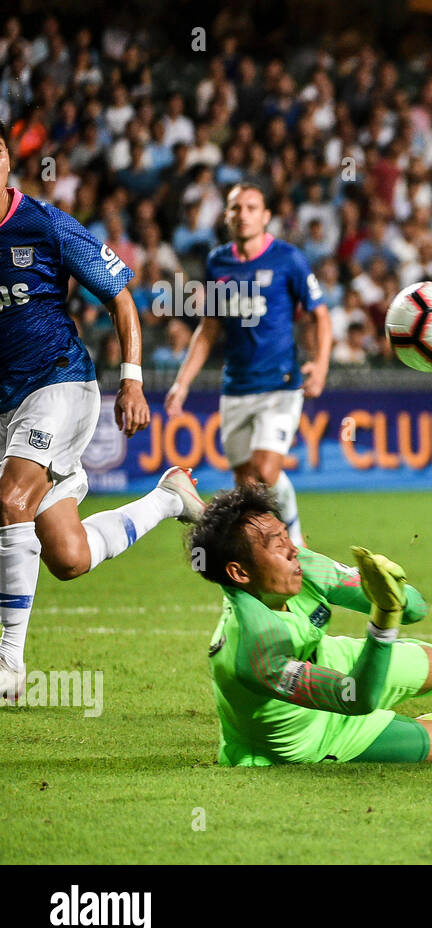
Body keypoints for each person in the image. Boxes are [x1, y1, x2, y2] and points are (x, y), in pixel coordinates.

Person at [0, 123, 203, 701]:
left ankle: (9, 666)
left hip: (59, 384)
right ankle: (169, 498)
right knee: (66, 556)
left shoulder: (44, 224)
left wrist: (132, 381)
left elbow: (119, 296)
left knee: (11, 499)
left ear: (9, 161)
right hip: (4, 405)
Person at [189, 483, 432, 765]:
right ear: (239, 572)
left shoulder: (298, 567)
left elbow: (416, 610)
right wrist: (383, 621)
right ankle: (406, 730)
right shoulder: (257, 648)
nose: (293, 549)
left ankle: (408, 721)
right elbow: (353, 699)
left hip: (329, 659)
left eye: (286, 535)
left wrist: (396, 593)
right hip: (310, 738)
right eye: (277, 544)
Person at [164, 182, 332, 546]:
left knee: (265, 473)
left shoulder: (289, 259)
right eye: (236, 208)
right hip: (236, 387)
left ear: (266, 216)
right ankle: (270, 556)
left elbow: (321, 316)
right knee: (247, 485)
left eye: (252, 208)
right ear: (226, 215)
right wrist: (182, 382)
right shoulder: (218, 262)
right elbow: (208, 329)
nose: (243, 215)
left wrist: (320, 366)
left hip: (280, 385)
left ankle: (295, 540)